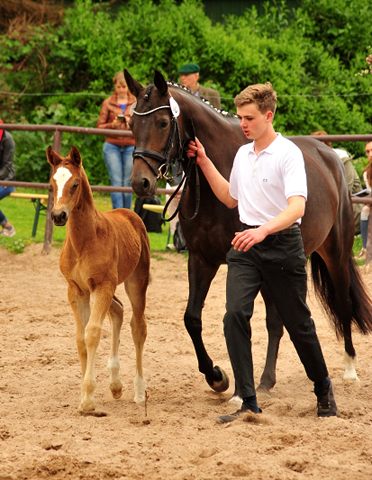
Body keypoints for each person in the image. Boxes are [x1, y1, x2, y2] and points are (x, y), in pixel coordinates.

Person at [186, 82, 338, 423]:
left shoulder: (288, 155)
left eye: (249, 118)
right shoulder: (243, 154)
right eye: (240, 117)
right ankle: (248, 400)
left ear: (268, 116)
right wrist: (206, 162)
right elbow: (230, 197)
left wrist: (263, 230)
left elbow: (297, 207)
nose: (243, 124)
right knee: (234, 316)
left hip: (282, 246)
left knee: (299, 324)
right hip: (245, 247)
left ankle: (323, 388)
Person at [310, 131, 363, 236]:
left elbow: (345, 191)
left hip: (351, 206)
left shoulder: (341, 159)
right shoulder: (313, 164)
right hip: (328, 206)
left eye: (320, 145)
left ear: (327, 146)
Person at [97, 71, 136, 210]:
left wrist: (130, 122)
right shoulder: (107, 103)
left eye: (124, 87)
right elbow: (99, 127)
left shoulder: (136, 103)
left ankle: (127, 215)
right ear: (115, 86)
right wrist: (112, 125)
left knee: (127, 183)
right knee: (116, 182)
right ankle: (117, 215)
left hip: (131, 146)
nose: (121, 90)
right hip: (112, 146)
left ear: (128, 88)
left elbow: (143, 126)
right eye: (119, 87)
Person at [0, 120, 16, 237]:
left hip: (7, 180)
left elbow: (7, 165)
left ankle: (8, 226)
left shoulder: (7, 139)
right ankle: (7, 226)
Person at [359, 141, 372, 258]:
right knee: (364, 210)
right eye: (368, 151)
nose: (371, 154)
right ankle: (365, 247)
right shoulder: (367, 172)